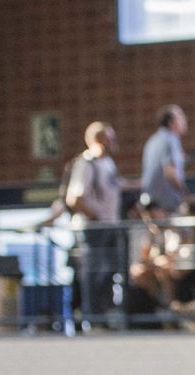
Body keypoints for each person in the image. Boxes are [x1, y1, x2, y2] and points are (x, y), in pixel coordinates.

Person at [65, 121, 127, 326]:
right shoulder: (86, 163)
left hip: (110, 227)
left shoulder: (108, 163)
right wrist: (98, 217)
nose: (114, 142)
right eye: (110, 137)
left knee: (110, 273)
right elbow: (75, 199)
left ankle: (105, 317)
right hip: (93, 230)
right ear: (99, 140)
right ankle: (92, 320)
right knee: (93, 274)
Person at [140, 106, 188, 214]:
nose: (184, 119)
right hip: (166, 204)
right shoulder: (171, 140)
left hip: (152, 202)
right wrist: (185, 194)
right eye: (180, 116)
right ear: (171, 123)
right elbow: (169, 172)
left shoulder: (153, 140)